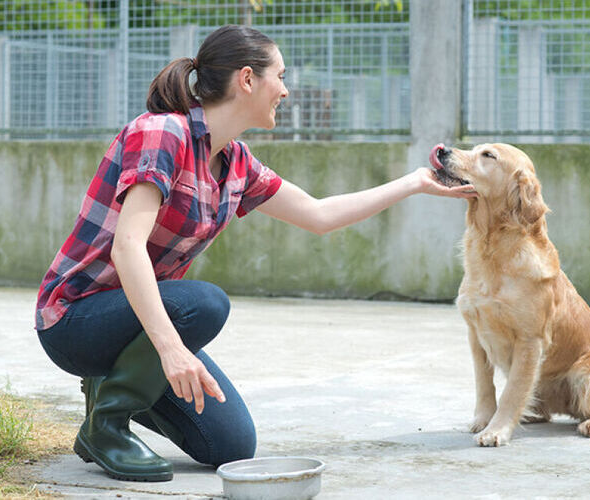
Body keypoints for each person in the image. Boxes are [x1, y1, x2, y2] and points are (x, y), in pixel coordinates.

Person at [34, 24, 478, 482]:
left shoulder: (237, 163)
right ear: (247, 79)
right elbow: (128, 247)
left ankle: (111, 382)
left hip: (141, 320)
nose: (285, 90)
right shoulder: (162, 133)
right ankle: (105, 426)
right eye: (280, 76)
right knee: (204, 303)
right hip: (75, 319)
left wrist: (415, 183)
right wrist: (172, 351)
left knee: (230, 445)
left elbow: (319, 214)